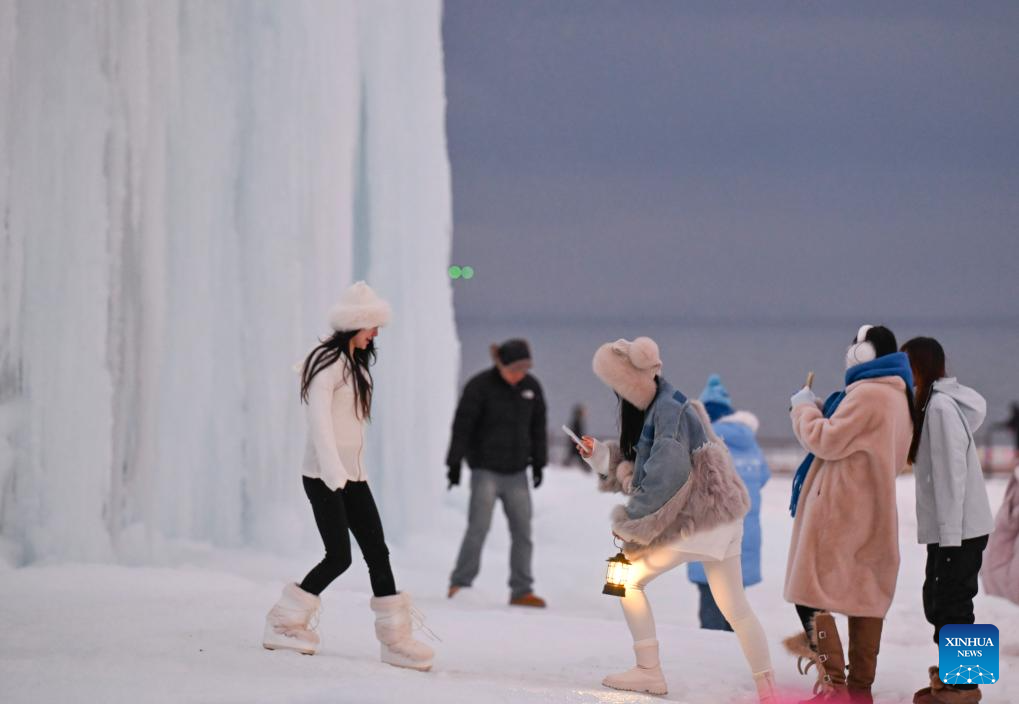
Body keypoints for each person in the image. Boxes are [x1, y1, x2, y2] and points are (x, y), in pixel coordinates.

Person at [578, 338, 776, 702]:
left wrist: (630, 524)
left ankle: (648, 671)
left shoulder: (667, 411)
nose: (615, 392)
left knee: (624, 579)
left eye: (616, 385)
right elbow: (643, 461)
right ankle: (768, 688)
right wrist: (600, 455)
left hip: (699, 521)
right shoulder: (669, 406)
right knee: (736, 608)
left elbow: (665, 477)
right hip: (723, 520)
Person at [261, 281, 434, 671]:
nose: (376, 334)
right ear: (354, 325)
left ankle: (395, 641)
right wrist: (334, 474)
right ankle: (284, 622)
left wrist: (353, 474)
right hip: (324, 475)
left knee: (378, 552)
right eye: (371, 326)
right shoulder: (326, 362)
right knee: (339, 556)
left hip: (353, 475)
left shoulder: (355, 364)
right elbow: (319, 423)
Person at [783, 325, 913, 703]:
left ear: (868, 353)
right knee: (865, 595)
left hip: (842, 511)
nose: (849, 351)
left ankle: (835, 685)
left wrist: (804, 408)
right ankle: (859, 690)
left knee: (809, 592)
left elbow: (826, 439)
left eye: (856, 345)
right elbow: (859, 440)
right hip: (873, 507)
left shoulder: (869, 394)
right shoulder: (897, 397)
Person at [902, 337, 994, 704]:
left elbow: (952, 474)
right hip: (955, 527)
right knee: (943, 600)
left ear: (919, 367)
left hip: (958, 528)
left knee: (952, 602)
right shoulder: (934, 405)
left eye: (906, 366)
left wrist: (951, 536)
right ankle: (957, 679)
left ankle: (964, 688)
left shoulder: (939, 408)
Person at [446, 338, 548, 607]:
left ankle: (522, 590)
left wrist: (539, 463)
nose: (519, 374)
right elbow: (462, 426)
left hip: (517, 474)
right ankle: (460, 583)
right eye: (514, 368)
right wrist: (454, 463)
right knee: (478, 528)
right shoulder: (479, 387)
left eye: (524, 369)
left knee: (523, 533)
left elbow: (538, 429)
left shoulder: (531, 388)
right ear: (500, 364)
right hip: (485, 472)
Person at [687, 374, 771, 632]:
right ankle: (736, 657)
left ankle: (714, 664)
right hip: (745, 539)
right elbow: (764, 476)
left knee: (712, 610)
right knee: (736, 608)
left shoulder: (703, 443)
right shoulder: (750, 445)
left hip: (713, 538)